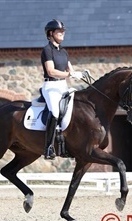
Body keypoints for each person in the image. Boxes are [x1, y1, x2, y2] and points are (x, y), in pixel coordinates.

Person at [41, 19, 84, 160]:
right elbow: (51, 71)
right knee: (54, 112)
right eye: (59, 31)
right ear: (51, 33)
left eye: (63, 31)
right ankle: (49, 147)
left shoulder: (64, 52)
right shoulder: (47, 50)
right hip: (51, 86)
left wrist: (80, 75)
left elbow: (70, 70)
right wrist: (69, 74)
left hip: (63, 86)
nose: (62, 33)